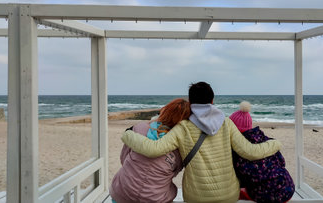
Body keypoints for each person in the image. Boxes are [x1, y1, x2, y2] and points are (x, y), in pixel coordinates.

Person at [121, 81, 282, 203]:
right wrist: (275, 144)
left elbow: (153, 149)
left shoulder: (183, 127)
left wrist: (128, 135)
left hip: (196, 197)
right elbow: (250, 152)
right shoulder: (226, 123)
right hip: (228, 195)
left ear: (191, 103)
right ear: (212, 101)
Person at [109, 98, 191, 203]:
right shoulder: (180, 147)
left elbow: (123, 158)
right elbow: (173, 173)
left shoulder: (139, 128)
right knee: (171, 190)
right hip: (153, 199)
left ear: (165, 111)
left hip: (122, 193)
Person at [230, 101, 295, 203]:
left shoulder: (238, 149)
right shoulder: (265, 139)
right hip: (287, 187)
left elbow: (239, 176)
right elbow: (282, 162)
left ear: (234, 129)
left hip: (264, 193)